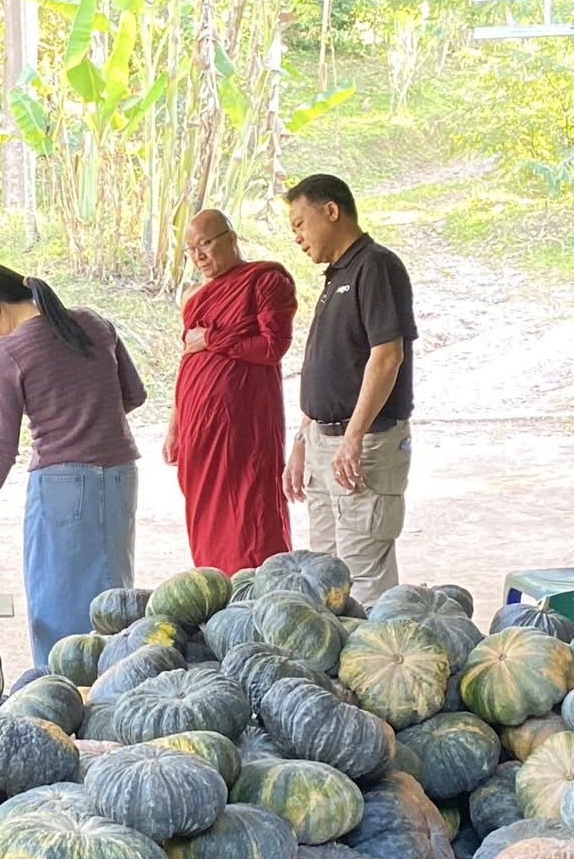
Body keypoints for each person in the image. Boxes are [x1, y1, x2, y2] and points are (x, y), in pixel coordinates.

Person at [0, 264, 146, 667]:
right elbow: (134, 394)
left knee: (56, 608)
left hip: (61, 482)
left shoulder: (8, 354)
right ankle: (116, 697)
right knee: (113, 597)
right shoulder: (95, 324)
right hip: (120, 474)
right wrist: (91, 417)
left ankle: (61, 702)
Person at [282, 174, 417, 602]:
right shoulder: (335, 275)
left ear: (332, 211)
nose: (298, 238)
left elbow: (387, 355)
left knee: (364, 583)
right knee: (325, 580)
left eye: (300, 224)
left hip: (365, 444)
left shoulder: (376, 266)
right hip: (324, 444)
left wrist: (354, 437)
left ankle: (377, 662)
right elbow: (328, 366)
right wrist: (303, 440)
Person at [164, 209, 297, 574]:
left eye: (205, 243)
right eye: (191, 249)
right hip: (197, 423)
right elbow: (187, 360)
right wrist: (175, 426)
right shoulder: (194, 295)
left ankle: (259, 590)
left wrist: (213, 338)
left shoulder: (265, 280)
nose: (199, 256)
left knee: (249, 506)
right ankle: (215, 591)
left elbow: (272, 347)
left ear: (231, 238)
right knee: (207, 511)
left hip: (244, 423)